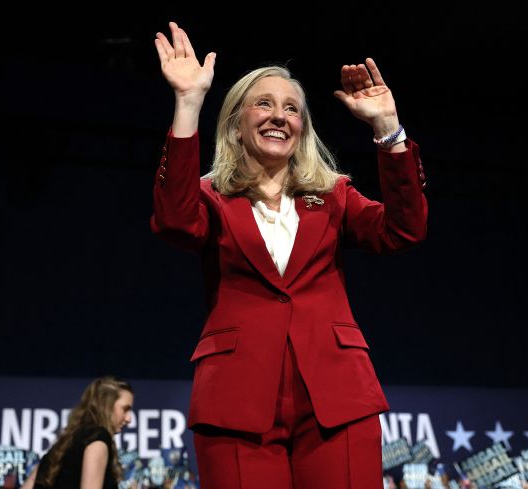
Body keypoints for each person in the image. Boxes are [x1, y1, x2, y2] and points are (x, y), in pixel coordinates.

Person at [151, 21, 428, 489]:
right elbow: (174, 221)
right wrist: (188, 101)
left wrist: (387, 127)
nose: (279, 116)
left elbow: (404, 229)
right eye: (264, 104)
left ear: (302, 128)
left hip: (337, 398)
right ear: (237, 123)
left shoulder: (334, 196)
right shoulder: (211, 197)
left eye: (292, 109)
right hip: (237, 401)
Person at [20, 376, 134, 489]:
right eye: (125, 409)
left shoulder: (62, 446)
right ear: (106, 405)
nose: (129, 419)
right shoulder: (98, 438)